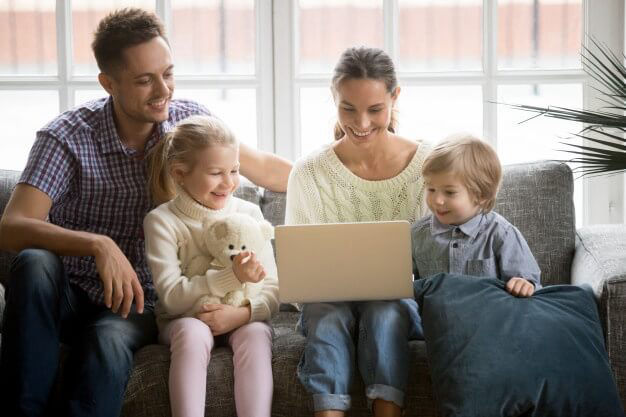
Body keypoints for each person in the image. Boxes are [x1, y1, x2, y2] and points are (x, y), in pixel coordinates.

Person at [0, 8, 290, 417]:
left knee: (107, 339)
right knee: (33, 263)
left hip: (139, 305)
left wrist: (348, 175)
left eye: (167, 73)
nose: (163, 90)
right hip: (69, 293)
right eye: (144, 80)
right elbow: (12, 228)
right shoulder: (67, 137)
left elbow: (267, 169)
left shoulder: (190, 123)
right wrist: (99, 246)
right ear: (108, 83)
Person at [285, 46, 430, 417]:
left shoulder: (429, 166)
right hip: (327, 306)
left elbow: (439, 261)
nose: (361, 123)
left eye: (375, 109)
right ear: (333, 98)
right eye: (348, 108)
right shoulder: (309, 173)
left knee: (385, 308)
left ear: (395, 97)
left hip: (399, 305)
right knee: (326, 312)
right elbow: (299, 279)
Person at [143, 115, 278, 417]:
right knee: (193, 332)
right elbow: (173, 297)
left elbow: (272, 289)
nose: (229, 183)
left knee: (255, 333)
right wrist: (231, 277)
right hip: (184, 319)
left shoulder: (249, 214)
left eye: (234, 171)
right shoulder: (162, 221)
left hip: (239, 315)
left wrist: (242, 313)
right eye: (216, 173)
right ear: (179, 173)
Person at [411, 134, 541, 296]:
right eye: (431, 189)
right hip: (432, 317)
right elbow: (402, 283)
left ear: (481, 196)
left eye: (450, 192)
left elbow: (528, 280)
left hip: (485, 316)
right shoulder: (417, 234)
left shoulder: (502, 233)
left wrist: (524, 284)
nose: (437, 200)